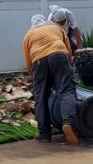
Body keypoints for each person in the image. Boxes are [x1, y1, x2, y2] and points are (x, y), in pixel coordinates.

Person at [22, 14, 79, 145]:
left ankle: (44, 133)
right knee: (66, 90)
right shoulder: (55, 28)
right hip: (59, 54)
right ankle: (69, 124)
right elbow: (69, 51)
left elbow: (28, 61)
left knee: (40, 96)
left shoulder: (28, 35)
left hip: (38, 60)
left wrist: (36, 75)